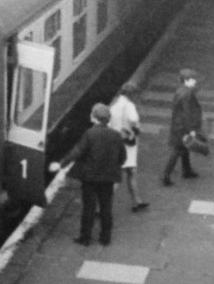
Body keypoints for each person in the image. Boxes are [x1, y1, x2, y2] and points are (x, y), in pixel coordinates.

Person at [49, 103, 126, 246]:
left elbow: (77, 152)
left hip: (90, 177)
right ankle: (105, 238)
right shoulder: (115, 135)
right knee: (106, 207)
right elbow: (122, 157)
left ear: (94, 117)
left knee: (89, 208)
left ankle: (85, 238)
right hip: (108, 178)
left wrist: (60, 164)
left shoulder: (90, 134)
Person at [108, 81, 149, 212]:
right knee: (131, 173)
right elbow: (133, 119)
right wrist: (136, 127)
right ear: (132, 94)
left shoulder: (114, 103)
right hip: (128, 144)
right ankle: (136, 202)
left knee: (116, 176)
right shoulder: (129, 105)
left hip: (115, 142)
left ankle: (103, 205)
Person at [162, 68, 203, 186]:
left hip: (177, 125)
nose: (195, 81)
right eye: (193, 79)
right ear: (186, 80)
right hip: (183, 127)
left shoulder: (180, 91)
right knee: (178, 150)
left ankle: (187, 171)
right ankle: (166, 176)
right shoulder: (187, 94)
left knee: (184, 149)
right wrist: (191, 130)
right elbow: (187, 113)